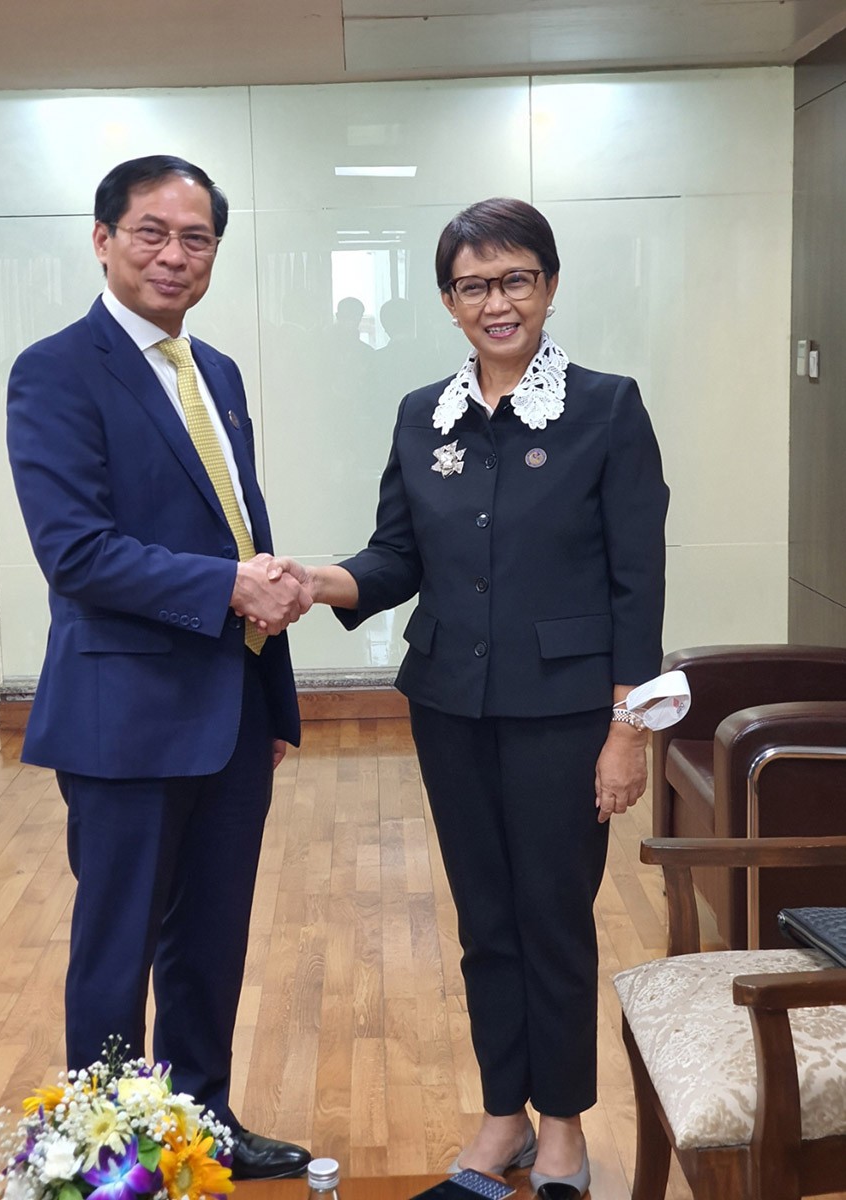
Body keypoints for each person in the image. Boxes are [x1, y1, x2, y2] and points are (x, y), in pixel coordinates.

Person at [271, 198, 669, 1199]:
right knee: (486, 918)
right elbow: (397, 557)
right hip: (450, 702)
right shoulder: (422, 414)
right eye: (474, 285)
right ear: (447, 300)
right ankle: (504, 1116)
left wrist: (629, 727)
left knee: (555, 916)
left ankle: (565, 1124)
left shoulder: (606, 407)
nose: (498, 303)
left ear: (549, 284)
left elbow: (639, 583)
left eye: (516, 279)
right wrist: (317, 582)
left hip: (568, 708)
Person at [6, 155, 313, 1180]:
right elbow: (76, 551)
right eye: (151, 232)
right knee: (116, 949)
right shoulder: (56, 369)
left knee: (209, 943)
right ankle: (107, 1155)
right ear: (102, 239)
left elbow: (240, 526)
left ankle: (199, 1123)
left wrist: (271, 697)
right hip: (123, 714)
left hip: (228, 712)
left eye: (196, 238)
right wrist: (232, 585)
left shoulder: (212, 371)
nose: (174, 255)